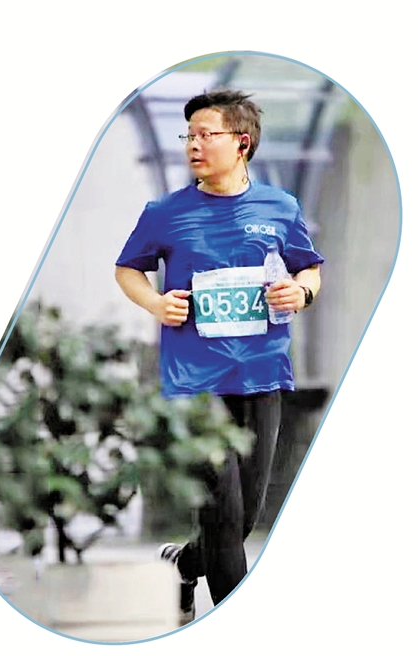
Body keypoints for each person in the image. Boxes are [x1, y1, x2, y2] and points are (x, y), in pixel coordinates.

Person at [114, 89, 324, 622]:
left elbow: (309, 267)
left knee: (244, 517)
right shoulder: (165, 213)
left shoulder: (281, 207)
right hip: (194, 383)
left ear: (242, 143)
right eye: (189, 135)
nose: (193, 145)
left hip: (262, 374)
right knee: (225, 517)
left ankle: (184, 563)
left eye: (206, 134)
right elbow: (128, 269)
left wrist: (301, 292)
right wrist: (156, 303)